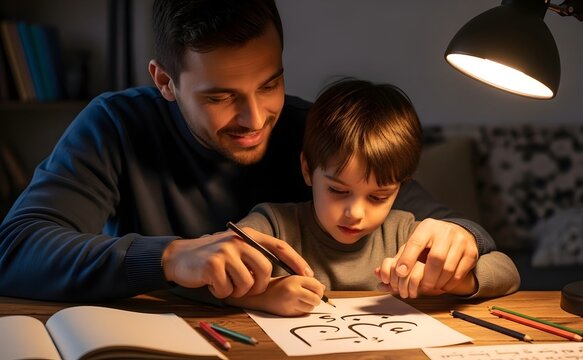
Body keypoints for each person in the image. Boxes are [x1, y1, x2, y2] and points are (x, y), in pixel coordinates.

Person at [0, 0, 496, 302]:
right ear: (165, 81)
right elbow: (16, 250)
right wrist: (171, 257)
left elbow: (456, 230)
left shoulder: (314, 132)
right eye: (220, 97)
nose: (256, 120)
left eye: (270, 83)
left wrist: (460, 238)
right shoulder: (116, 124)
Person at [224, 79, 520, 316]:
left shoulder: (404, 232)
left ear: (400, 190)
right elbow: (196, 278)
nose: (355, 213)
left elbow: (508, 272)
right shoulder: (274, 226)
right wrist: (263, 295)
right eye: (338, 190)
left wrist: (451, 278)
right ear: (308, 170)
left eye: (379, 196)